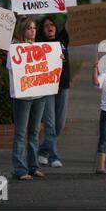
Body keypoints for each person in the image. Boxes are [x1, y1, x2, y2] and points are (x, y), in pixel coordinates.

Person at [7, 16, 47, 180]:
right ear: (22, 30)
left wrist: (57, 60)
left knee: (34, 133)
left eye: (34, 28)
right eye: (29, 28)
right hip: (22, 96)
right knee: (20, 134)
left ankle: (33, 167)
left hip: (39, 94)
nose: (33, 30)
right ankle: (20, 169)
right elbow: (12, 67)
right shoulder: (15, 47)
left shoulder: (42, 47)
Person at [37, 16, 70, 168]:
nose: (49, 27)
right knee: (50, 124)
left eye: (52, 25)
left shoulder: (63, 39)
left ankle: (43, 151)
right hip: (47, 87)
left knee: (60, 123)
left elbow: (72, 21)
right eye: (46, 26)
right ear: (42, 30)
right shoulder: (38, 43)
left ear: (56, 28)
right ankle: (53, 157)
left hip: (63, 86)